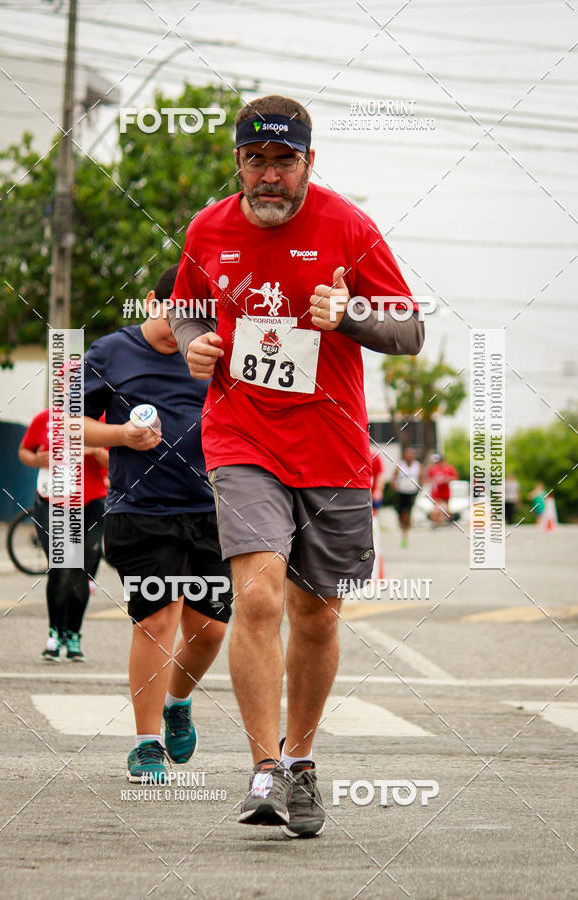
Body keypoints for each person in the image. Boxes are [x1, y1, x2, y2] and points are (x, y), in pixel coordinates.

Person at [168, 94, 424, 837]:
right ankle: (264, 768)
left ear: (311, 161)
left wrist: (346, 316)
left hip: (334, 450)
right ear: (237, 164)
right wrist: (195, 343)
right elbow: (185, 308)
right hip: (242, 436)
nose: (270, 176)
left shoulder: (349, 227)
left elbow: (408, 331)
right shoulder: (207, 229)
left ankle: (302, 761)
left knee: (316, 614)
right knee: (257, 600)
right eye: (257, 161)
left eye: (286, 161)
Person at [82, 264, 232, 783]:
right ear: (151, 301)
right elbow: (64, 421)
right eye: (177, 314)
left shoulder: (212, 355)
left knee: (210, 629)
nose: (184, 331)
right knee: (157, 619)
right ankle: (146, 745)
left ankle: (177, 702)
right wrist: (121, 436)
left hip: (208, 511)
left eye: (199, 319)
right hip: (140, 510)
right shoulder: (111, 352)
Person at [19, 409, 108, 661]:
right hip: (52, 503)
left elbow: (115, 464)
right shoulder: (45, 418)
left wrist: (94, 449)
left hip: (91, 504)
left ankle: (73, 634)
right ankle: (54, 634)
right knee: (60, 567)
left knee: (84, 570)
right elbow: (24, 451)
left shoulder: (101, 420)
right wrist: (37, 460)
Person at [391, 447, 421, 547]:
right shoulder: (400, 465)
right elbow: (393, 478)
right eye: (407, 454)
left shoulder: (417, 465)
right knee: (400, 513)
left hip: (412, 492)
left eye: (411, 454)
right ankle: (403, 525)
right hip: (401, 492)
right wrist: (394, 484)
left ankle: (405, 533)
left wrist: (420, 486)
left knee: (407, 512)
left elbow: (421, 477)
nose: (409, 456)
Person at [424, 453, 458, 526]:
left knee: (446, 509)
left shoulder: (449, 468)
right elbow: (427, 479)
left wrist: (447, 479)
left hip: (445, 492)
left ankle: (446, 521)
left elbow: (455, 477)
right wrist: (434, 480)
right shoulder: (432, 469)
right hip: (436, 493)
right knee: (437, 508)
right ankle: (437, 522)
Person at [370, 447, 385, 513]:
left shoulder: (374, 457)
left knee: (373, 515)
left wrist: (378, 490)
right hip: (359, 494)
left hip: (373, 493)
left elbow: (380, 475)